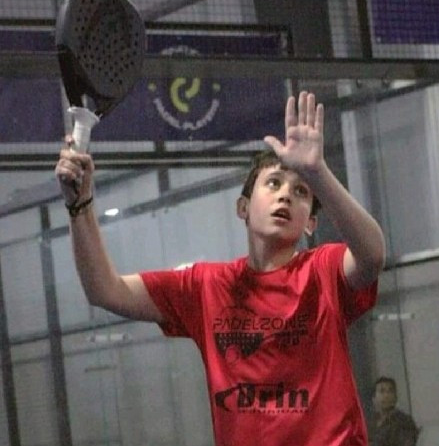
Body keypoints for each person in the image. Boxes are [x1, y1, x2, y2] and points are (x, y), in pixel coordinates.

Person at [55, 91, 386, 446]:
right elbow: (105, 290)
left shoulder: (324, 270)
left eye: (301, 192)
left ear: (310, 224)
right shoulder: (205, 286)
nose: (286, 195)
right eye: (273, 183)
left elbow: (371, 256)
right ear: (243, 208)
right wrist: (79, 205)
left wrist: (317, 173)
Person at [368, 376, 419, 446]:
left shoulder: (404, 421)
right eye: (382, 391)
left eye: (390, 391)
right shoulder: (370, 421)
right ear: (374, 398)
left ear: (395, 397)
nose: (386, 395)